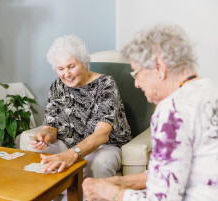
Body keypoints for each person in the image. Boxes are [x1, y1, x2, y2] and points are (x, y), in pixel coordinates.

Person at [82, 24, 218, 201]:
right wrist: (124, 182)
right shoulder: (210, 89)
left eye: (136, 73)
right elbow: (175, 168)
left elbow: (161, 198)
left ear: (159, 67)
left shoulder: (172, 110)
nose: (136, 84)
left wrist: (110, 193)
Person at [29, 35, 131, 178]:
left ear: (84, 63)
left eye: (72, 66)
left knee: (99, 162)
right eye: (60, 68)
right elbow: (51, 126)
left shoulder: (105, 84)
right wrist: (45, 135)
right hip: (68, 143)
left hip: (105, 146)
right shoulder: (57, 86)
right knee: (39, 155)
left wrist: (73, 154)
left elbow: (102, 133)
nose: (67, 74)